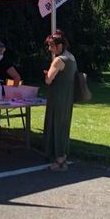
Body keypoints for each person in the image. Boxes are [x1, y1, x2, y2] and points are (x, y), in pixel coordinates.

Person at [43, 30, 76, 172]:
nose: (50, 49)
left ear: (59, 46)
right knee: (63, 126)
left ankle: (60, 160)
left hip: (57, 97)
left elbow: (49, 80)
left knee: (56, 126)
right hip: (67, 96)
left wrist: (47, 74)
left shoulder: (58, 60)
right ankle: (62, 155)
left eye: (52, 46)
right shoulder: (72, 57)